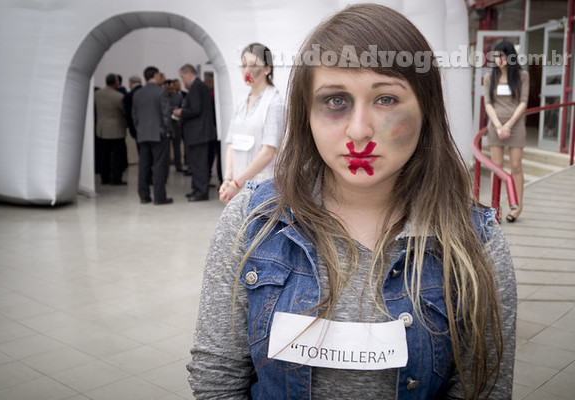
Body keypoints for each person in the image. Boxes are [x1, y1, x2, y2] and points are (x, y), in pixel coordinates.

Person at [187, 4, 517, 399]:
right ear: (305, 113)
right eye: (335, 101)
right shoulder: (251, 220)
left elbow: (482, 388)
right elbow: (217, 379)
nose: (359, 131)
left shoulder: (474, 241)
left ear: (426, 109)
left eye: (386, 100)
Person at [218, 43, 285, 204]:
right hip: (237, 184)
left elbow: (268, 151)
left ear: (267, 69)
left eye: (253, 65)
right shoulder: (241, 104)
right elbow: (231, 144)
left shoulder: (275, 103)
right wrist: (228, 179)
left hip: (263, 186)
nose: (247, 70)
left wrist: (237, 183)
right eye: (244, 65)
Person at [483, 41, 530, 223]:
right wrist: (497, 125)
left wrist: (508, 125)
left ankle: (517, 207)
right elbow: (488, 103)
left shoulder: (521, 76)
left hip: (515, 126)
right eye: (496, 56)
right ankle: (496, 208)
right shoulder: (490, 77)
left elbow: (523, 102)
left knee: (516, 166)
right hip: (496, 126)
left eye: (502, 56)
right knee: (497, 167)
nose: (499, 60)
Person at [173, 64, 216, 202]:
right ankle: (198, 189)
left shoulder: (196, 86)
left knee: (199, 165)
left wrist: (181, 112)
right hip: (199, 133)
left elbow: (196, 109)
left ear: (188, 74)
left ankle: (201, 192)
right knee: (197, 164)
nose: (183, 81)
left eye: (182, 77)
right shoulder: (199, 85)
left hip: (199, 133)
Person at [132, 66, 173, 205]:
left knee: (143, 166)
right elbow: (166, 113)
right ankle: (159, 197)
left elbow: (134, 116)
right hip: (159, 134)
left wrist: (139, 129)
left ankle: (144, 196)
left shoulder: (137, 93)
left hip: (143, 134)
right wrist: (167, 130)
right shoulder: (161, 92)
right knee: (159, 166)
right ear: (155, 75)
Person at [94, 73, 127, 185]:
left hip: (101, 129)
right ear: (115, 83)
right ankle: (116, 179)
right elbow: (124, 111)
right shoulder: (119, 96)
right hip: (116, 130)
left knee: (104, 155)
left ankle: (105, 178)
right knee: (117, 156)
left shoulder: (97, 94)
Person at [164, 79, 185, 172]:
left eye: (172, 89)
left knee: (177, 147)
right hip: (166, 125)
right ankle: (166, 166)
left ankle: (178, 165)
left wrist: (180, 119)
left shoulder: (179, 96)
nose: (170, 91)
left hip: (176, 125)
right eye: (168, 89)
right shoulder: (162, 97)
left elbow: (183, 108)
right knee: (166, 148)